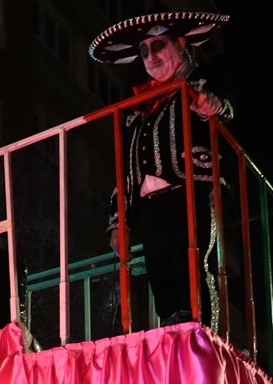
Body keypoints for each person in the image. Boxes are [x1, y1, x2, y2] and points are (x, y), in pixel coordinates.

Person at [89, 8, 234, 329]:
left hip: (190, 193)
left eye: (158, 46)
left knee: (192, 265)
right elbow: (123, 169)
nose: (151, 57)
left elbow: (226, 113)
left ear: (181, 44)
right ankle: (175, 333)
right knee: (160, 273)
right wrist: (117, 221)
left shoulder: (201, 83)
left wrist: (213, 106)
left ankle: (202, 336)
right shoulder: (136, 108)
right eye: (143, 52)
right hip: (147, 207)